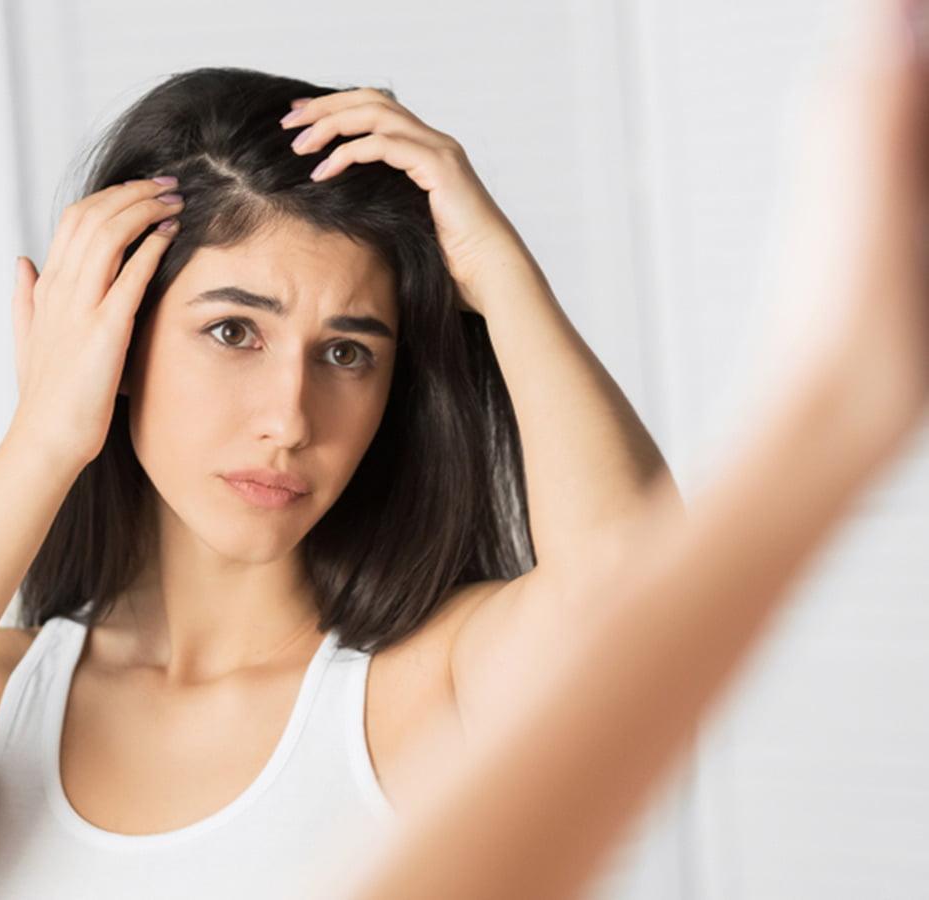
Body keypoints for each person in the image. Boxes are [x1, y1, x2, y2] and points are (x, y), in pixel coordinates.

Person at [318, 0, 928, 897]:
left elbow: (615, 581)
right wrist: (55, 431)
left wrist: (500, 269)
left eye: (346, 351)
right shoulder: (30, 683)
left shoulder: (416, 677)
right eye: (229, 334)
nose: (284, 418)